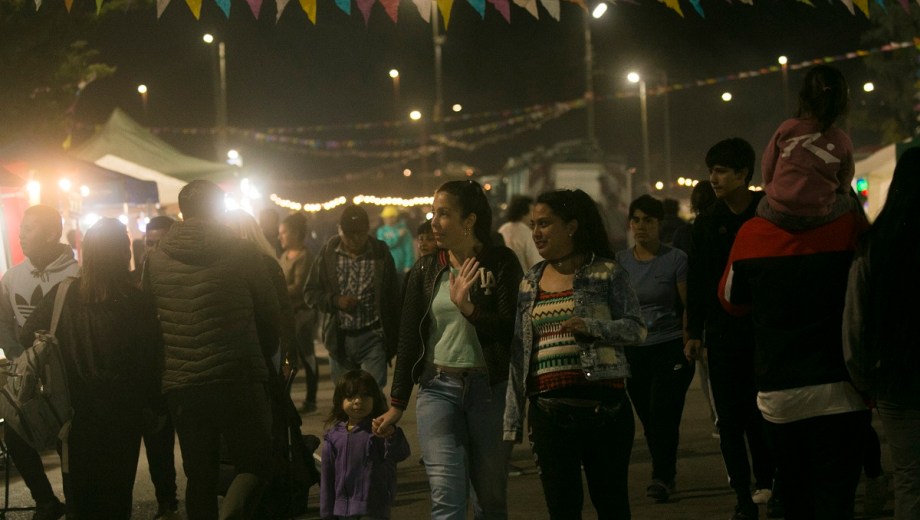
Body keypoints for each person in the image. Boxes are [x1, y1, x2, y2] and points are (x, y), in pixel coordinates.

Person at [374, 180, 523, 520]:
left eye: (443, 214)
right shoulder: (426, 270)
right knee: (446, 499)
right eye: (433, 213)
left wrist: (469, 309)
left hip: (490, 390)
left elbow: (511, 328)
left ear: (469, 221)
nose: (433, 222)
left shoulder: (500, 262)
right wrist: (397, 404)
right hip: (438, 390)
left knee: (490, 500)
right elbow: (409, 338)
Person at [719, 181, 868, 519]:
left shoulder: (751, 232)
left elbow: (731, 301)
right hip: (843, 386)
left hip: (780, 389)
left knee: (796, 497)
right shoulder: (850, 224)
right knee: (837, 499)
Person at [503, 188, 646, 519]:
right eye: (533, 224)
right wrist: (511, 423)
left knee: (612, 506)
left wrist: (595, 327)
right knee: (562, 509)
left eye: (545, 224)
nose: (536, 233)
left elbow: (637, 329)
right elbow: (520, 354)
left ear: (572, 226)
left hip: (605, 411)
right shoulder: (530, 281)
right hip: (549, 415)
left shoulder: (607, 272)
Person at [143, 180, 280, 520]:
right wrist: (262, 358)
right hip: (239, 376)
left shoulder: (155, 258)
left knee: (199, 475)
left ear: (182, 211)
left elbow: (148, 324)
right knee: (257, 463)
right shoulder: (243, 252)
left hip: (183, 384)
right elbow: (270, 316)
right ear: (218, 210)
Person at [20, 218, 162, 519]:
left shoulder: (65, 294)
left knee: (80, 496)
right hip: (123, 414)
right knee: (116, 493)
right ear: (123, 253)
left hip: (73, 413)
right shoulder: (135, 300)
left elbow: (26, 335)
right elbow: (151, 357)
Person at [684, 138, 775, 520]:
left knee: (765, 415)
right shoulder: (707, 223)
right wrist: (694, 332)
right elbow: (700, 280)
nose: (713, 178)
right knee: (730, 419)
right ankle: (742, 493)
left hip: (764, 334)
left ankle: (769, 485)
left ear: (743, 173)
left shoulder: (767, 214)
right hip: (722, 337)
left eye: (721, 170)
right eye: (711, 171)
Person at [844, 146, 920, 520]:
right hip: (896, 377)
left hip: (895, 378)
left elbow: (855, 320)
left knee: (908, 478)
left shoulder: (875, 245)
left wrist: (862, 377)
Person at [0, 204, 79, 520]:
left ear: (50, 232)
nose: (21, 234)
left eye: (29, 228)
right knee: (16, 434)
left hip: (68, 376)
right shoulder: (12, 277)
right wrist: (18, 358)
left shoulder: (76, 275)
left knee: (68, 443)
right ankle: (45, 501)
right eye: (21, 227)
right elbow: (4, 322)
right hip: (25, 374)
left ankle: (76, 503)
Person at [616, 194, 692, 503]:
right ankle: (665, 469)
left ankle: (662, 476)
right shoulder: (620, 262)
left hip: (669, 346)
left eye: (648, 220)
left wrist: (690, 340)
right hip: (634, 350)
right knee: (648, 418)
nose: (641, 226)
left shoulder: (676, 259)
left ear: (660, 223)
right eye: (636, 219)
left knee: (663, 412)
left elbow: (687, 305)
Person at [304, 204, 401, 390]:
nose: (355, 239)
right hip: (339, 340)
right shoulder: (327, 254)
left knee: (371, 397)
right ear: (339, 230)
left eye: (360, 233)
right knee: (346, 400)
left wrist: (393, 339)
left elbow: (393, 298)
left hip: (373, 338)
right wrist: (335, 301)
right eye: (349, 234)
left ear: (368, 230)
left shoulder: (380, 253)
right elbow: (310, 293)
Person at [759, 64, 856, 230]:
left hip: (779, 213)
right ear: (841, 101)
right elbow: (845, 183)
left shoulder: (787, 127)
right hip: (818, 215)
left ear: (803, 98)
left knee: (761, 203)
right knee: (850, 202)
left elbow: (767, 168)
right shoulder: (842, 139)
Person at [131, 214, 180, 520]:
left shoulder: (186, 275)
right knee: (159, 443)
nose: (155, 249)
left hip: (184, 367)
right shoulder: (134, 281)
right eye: (150, 243)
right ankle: (167, 500)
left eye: (162, 243)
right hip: (152, 373)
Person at [320, 369, 410, 520]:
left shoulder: (380, 430)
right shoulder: (333, 437)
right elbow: (327, 479)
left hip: (374, 507)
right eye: (351, 396)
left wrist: (392, 433)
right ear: (340, 401)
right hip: (342, 510)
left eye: (365, 395)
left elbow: (401, 453)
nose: (358, 401)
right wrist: (327, 514)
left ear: (375, 399)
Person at [670, 181, 719, 436]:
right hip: (721, 305)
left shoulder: (684, 234)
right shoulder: (725, 228)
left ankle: (717, 417)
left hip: (696, 307)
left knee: (707, 369)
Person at [279, 212, 319, 413]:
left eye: (284, 232)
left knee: (307, 355)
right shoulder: (284, 256)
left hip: (302, 315)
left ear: (295, 233)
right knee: (288, 357)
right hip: (288, 315)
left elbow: (298, 286)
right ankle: (286, 398)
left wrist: (276, 289)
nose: (280, 237)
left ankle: (311, 399)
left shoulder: (304, 257)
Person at [498, 195, 541, 271]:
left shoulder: (503, 229)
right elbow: (536, 264)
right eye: (532, 211)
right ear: (524, 213)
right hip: (523, 279)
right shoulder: (528, 233)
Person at [376, 206, 415, 283]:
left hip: (401, 269)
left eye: (389, 217)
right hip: (386, 268)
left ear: (395, 217)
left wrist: (409, 265)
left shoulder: (404, 231)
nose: (386, 219)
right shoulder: (381, 231)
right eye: (385, 217)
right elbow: (383, 246)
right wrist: (397, 236)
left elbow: (409, 249)